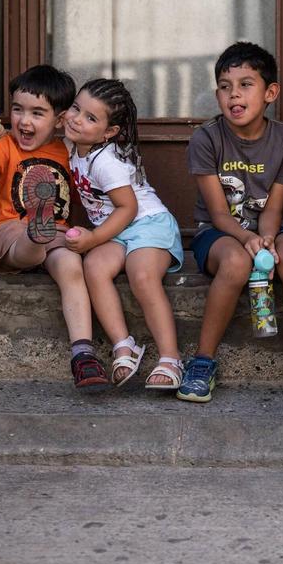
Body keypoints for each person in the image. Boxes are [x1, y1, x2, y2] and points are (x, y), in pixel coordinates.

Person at [183, 41, 283, 405]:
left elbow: (274, 208)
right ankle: (203, 361)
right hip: (217, 232)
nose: (234, 94)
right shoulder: (206, 138)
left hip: (265, 226)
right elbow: (217, 214)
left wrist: (265, 239)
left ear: (270, 93)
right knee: (235, 261)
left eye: (246, 84)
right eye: (226, 86)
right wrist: (246, 239)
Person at [0, 65, 102, 389]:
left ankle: (83, 354)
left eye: (37, 113)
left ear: (58, 120)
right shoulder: (5, 144)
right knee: (28, 246)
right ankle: (34, 237)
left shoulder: (67, 151)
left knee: (71, 264)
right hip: (9, 227)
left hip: (55, 231)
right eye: (18, 110)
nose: (24, 121)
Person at [63, 78, 185, 391]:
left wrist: (91, 239)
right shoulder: (73, 144)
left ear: (109, 133)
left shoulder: (106, 161)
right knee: (94, 267)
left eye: (91, 118)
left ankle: (171, 357)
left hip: (147, 223)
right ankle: (124, 345)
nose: (77, 118)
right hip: (118, 229)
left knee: (141, 274)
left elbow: (128, 208)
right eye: (76, 108)